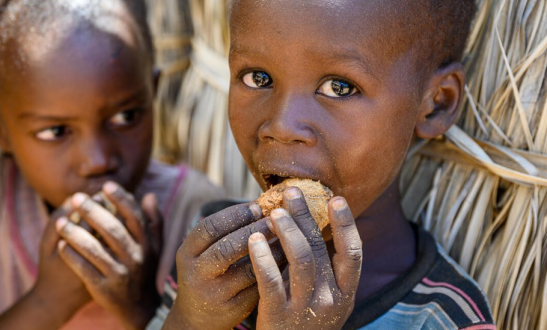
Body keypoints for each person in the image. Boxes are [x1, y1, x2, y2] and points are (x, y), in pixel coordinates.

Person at [149, 0, 496, 329]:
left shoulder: (444, 316)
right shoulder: (215, 261)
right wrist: (189, 319)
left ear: (436, 103)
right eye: (258, 78)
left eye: (339, 87)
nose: (282, 125)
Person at [0, 0, 223, 329]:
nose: (97, 161)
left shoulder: (198, 213)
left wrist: (141, 306)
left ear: (151, 94)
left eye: (126, 117)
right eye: (56, 132)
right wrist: (50, 300)